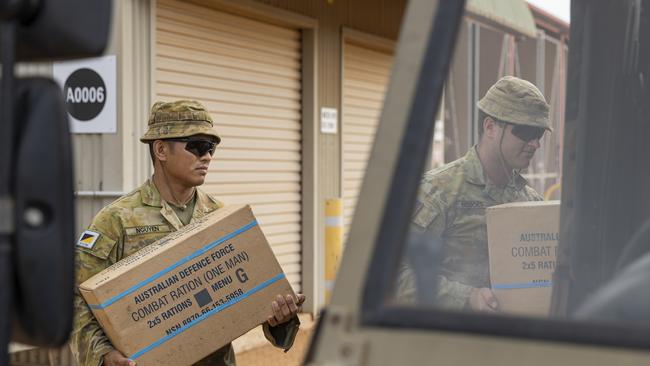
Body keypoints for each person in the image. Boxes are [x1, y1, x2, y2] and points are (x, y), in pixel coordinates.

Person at [71, 100, 304, 366]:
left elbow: (252, 299)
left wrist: (281, 318)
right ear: (161, 150)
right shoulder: (116, 220)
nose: (207, 156)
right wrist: (104, 355)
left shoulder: (221, 217)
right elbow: (77, 302)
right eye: (197, 146)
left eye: (211, 148)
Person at [400, 76, 552, 311]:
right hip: (449, 340)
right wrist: (466, 298)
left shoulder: (530, 202)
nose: (535, 144)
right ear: (490, 127)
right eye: (525, 131)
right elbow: (395, 276)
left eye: (539, 134)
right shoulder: (439, 191)